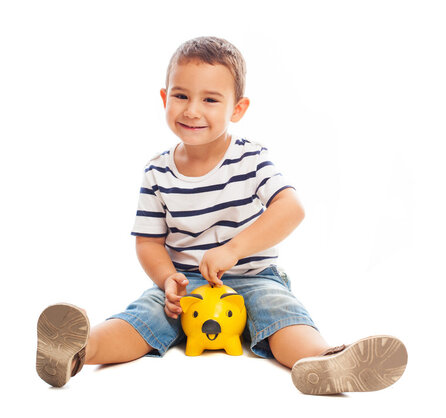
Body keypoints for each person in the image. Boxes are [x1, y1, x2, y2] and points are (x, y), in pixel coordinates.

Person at [35, 36, 408, 394]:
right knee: (142, 316)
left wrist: (233, 250)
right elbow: (148, 241)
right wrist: (167, 279)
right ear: (164, 98)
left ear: (237, 109)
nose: (192, 110)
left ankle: (324, 362)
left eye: (210, 99)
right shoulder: (157, 172)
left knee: (282, 313)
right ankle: (77, 352)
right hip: (186, 285)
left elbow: (291, 208)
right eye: (180, 95)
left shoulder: (251, 159)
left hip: (253, 277)